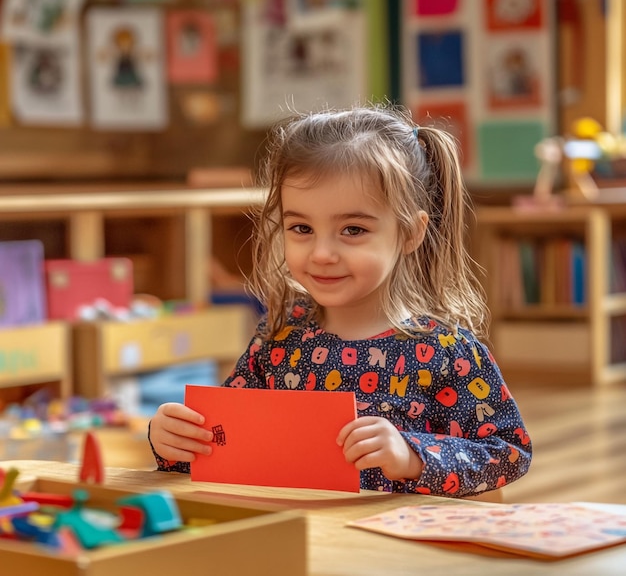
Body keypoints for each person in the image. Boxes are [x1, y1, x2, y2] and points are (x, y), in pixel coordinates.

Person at [149, 103, 532, 497]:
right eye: (301, 228)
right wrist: (174, 443)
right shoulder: (279, 338)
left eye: (352, 229)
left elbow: (509, 452)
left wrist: (413, 456)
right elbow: (225, 444)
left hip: (396, 550)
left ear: (410, 233)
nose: (321, 253)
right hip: (292, 540)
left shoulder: (446, 351)